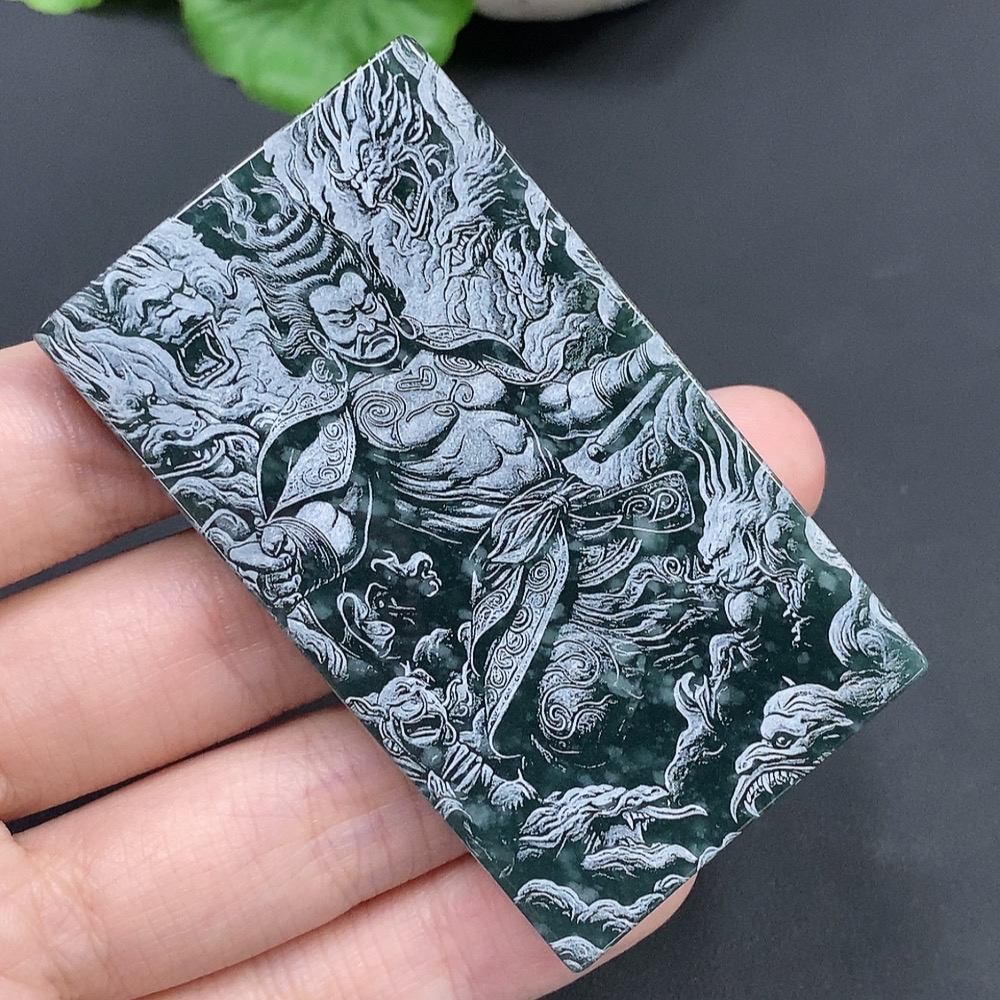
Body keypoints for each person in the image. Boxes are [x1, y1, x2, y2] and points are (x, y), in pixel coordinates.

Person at [0, 336, 825, 997]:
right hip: (524, 552)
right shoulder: (350, 439)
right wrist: (296, 546)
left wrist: (626, 375)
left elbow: (562, 397)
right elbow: (327, 521)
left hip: (568, 531)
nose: (357, 325)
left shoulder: (472, 363)